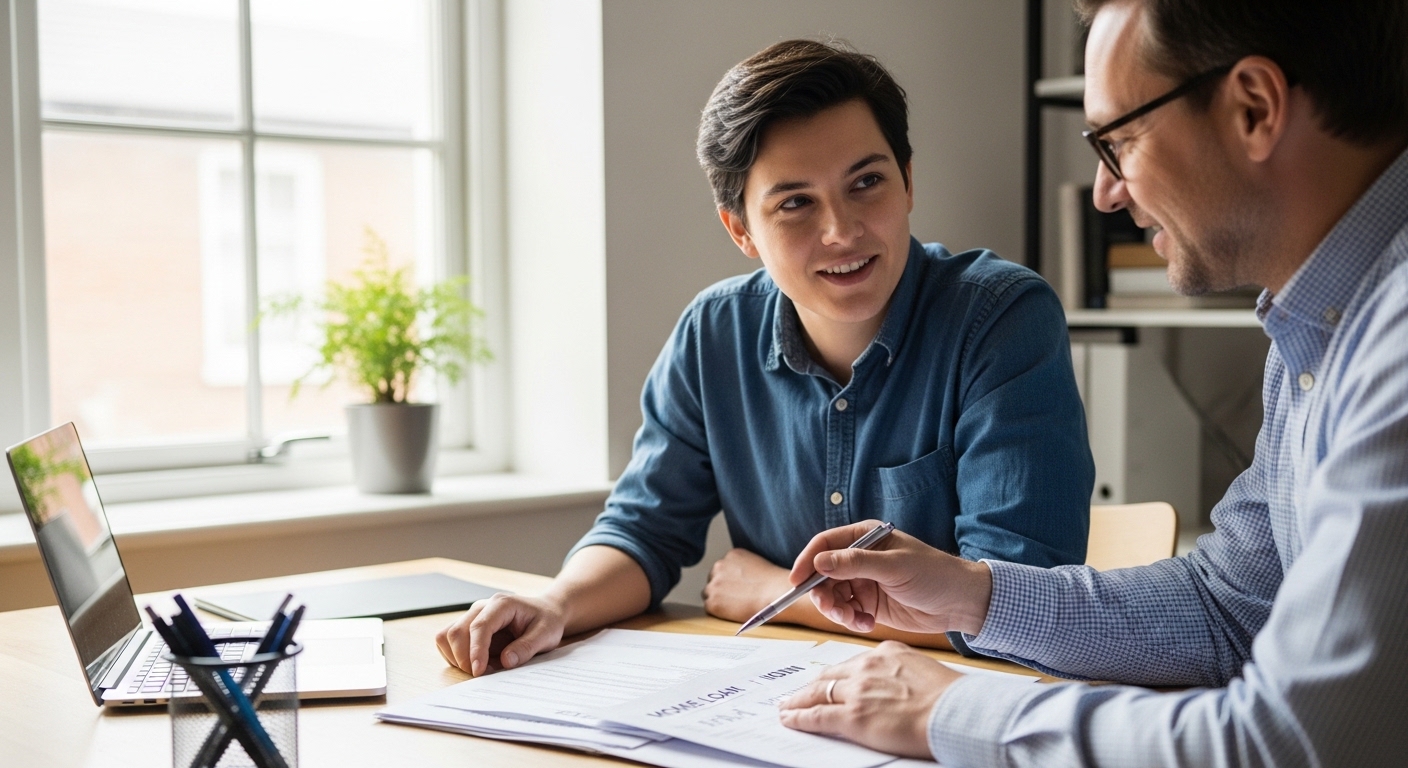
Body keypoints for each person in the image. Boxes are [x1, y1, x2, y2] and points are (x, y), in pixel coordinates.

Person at [776, 1, 1408, 765]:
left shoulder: (1393, 342)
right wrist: (973, 594)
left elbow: (1294, 742)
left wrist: (954, 711)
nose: (1106, 193)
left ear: (1253, 107)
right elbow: (1226, 608)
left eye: (1120, 141)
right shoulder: (1319, 327)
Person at [436, 39, 1094, 676]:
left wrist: (784, 596)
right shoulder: (712, 333)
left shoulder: (1000, 318)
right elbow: (645, 529)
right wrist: (554, 603)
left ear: (909, 181)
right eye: (796, 203)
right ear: (741, 229)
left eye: (867, 182)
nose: (841, 231)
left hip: (961, 716)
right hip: (772, 706)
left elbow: (1021, 604)